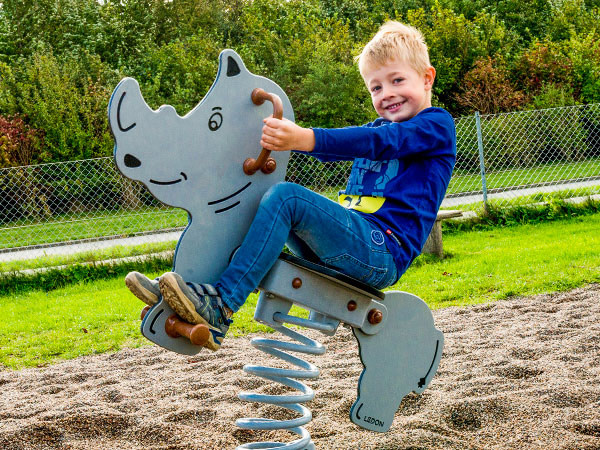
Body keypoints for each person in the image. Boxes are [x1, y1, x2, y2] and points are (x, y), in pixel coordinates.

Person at [125, 21, 456, 351]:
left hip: (382, 251)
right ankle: (193, 290)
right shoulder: (378, 127)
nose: (387, 94)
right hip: (356, 243)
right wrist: (289, 137)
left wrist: (305, 138)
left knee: (286, 198)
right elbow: (343, 146)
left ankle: (221, 306)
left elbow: (382, 142)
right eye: (376, 88)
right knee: (261, 198)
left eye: (397, 80)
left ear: (427, 78)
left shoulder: (437, 126)